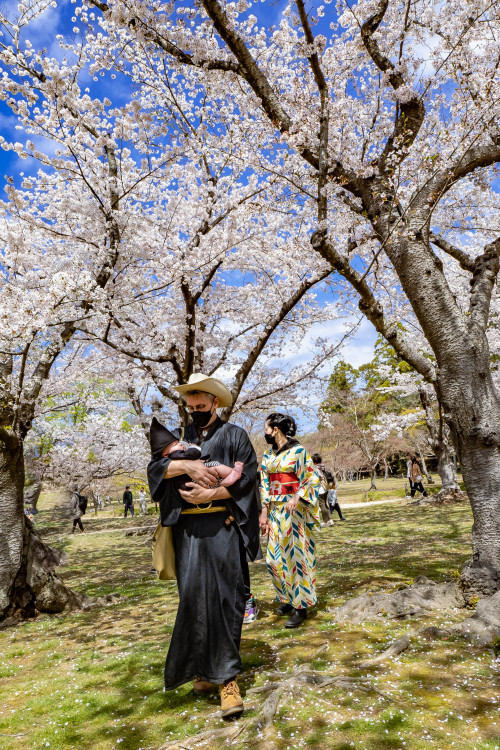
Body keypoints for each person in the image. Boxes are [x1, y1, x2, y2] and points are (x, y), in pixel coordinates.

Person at [147, 373, 260, 718]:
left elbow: (249, 481)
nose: (195, 410)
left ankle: (227, 679)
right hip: (188, 532)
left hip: (223, 526)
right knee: (194, 598)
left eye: (201, 405)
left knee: (227, 598)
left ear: (215, 403)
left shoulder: (235, 435)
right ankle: (202, 671)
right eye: (190, 406)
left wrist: (209, 492)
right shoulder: (179, 440)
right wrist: (186, 465)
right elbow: (155, 471)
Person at [259, 413, 320, 628]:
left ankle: (301, 606)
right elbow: (264, 484)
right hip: (275, 510)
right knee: (274, 559)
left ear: (275, 429)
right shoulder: (267, 455)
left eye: (266, 428)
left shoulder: (299, 451)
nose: (264, 432)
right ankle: (286, 598)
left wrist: (296, 496)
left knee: (296, 556)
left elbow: (312, 477)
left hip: (295, 511)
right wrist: (264, 513)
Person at [312, 453, 334, 527]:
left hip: (320, 488)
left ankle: (325, 521)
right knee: (325, 503)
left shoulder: (315, 467)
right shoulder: (323, 466)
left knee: (322, 505)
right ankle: (330, 520)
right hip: (326, 488)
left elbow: (318, 477)